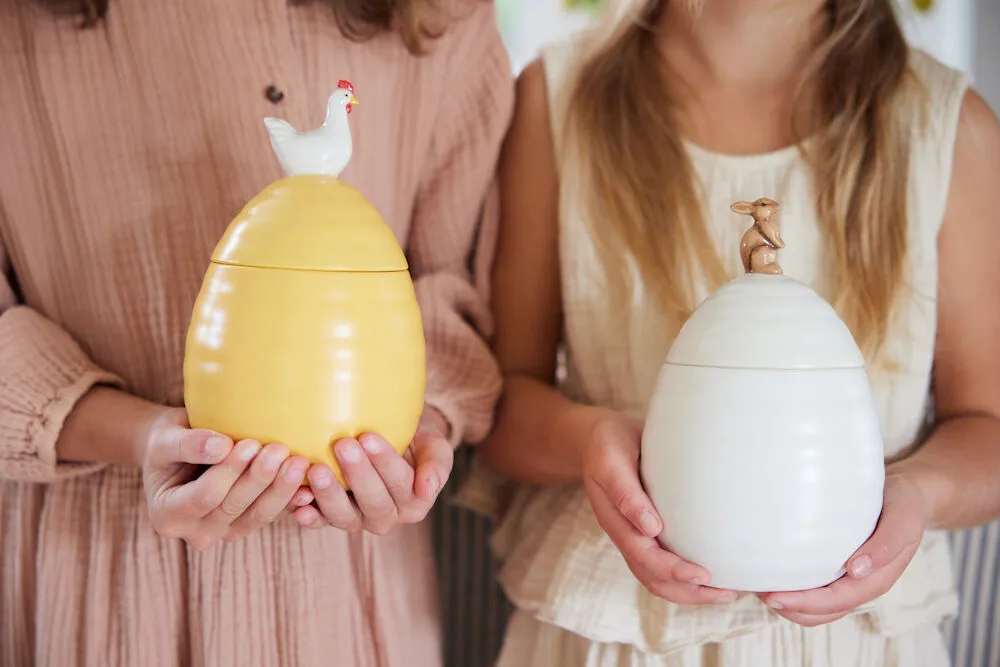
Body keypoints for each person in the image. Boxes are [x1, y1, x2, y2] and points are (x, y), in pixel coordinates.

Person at [472, 0, 1000, 665]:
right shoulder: (559, 103)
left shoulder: (948, 127)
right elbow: (500, 409)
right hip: (615, 630)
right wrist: (590, 441)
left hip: (856, 639)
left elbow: (987, 427)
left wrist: (920, 491)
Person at [0, 0, 512, 665]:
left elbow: (453, 284)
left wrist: (421, 432)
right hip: (95, 571)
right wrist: (143, 434)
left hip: (348, 590)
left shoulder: (443, 16)